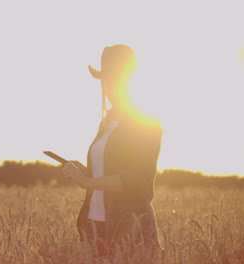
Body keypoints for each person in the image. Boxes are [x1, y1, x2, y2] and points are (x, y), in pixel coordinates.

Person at [62, 44, 162, 257]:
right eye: (105, 79)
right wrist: (86, 172)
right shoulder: (107, 123)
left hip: (129, 227)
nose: (109, 86)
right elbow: (109, 170)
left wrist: (88, 182)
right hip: (95, 226)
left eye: (115, 78)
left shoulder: (146, 123)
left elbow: (137, 180)